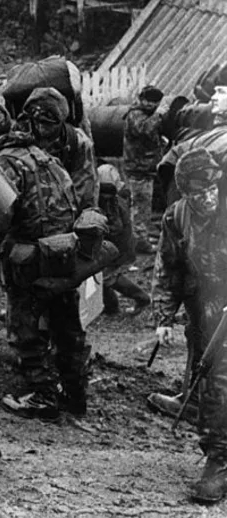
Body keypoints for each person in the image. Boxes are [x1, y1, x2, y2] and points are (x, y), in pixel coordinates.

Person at [0, 103, 92, 420]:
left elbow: (2, 214)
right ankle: (75, 394)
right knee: (67, 325)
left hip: (28, 256)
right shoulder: (46, 157)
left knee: (24, 325)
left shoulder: (4, 162)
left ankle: (42, 394)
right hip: (62, 250)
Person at [150, 148, 227, 504]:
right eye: (200, 194)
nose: (209, 198)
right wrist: (164, 318)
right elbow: (169, 270)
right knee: (206, 376)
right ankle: (214, 448)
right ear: (185, 193)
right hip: (202, 314)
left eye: (214, 190)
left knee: (220, 382)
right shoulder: (176, 217)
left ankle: (219, 460)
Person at [96, 163, 151, 315]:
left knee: (107, 277)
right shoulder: (117, 197)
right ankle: (110, 307)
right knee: (102, 276)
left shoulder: (111, 201)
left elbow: (116, 227)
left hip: (117, 246)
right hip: (119, 244)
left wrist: (102, 230)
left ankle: (142, 298)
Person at [124, 85, 168, 253]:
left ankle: (140, 237)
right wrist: (159, 114)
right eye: (148, 101)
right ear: (141, 100)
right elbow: (145, 129)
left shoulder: (144, 114)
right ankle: (140, 243)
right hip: (139, 170)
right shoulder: (135, 115)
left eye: (154, 103)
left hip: (145, 169)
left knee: (143, 206)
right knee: (140, 207)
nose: (151, 105)